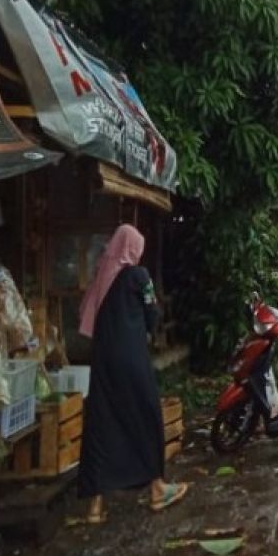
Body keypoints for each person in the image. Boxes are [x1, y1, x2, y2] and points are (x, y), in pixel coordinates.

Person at [77, 224, 188, 523]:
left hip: (102, 362)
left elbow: (88, 313)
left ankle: (95, 508)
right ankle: (156, 489)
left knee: (102, 424)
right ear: (133, 248)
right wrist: (150, 327)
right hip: (131, 360)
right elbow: (152, 313)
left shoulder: (102, 274)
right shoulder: (139, 277)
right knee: (147, 414)